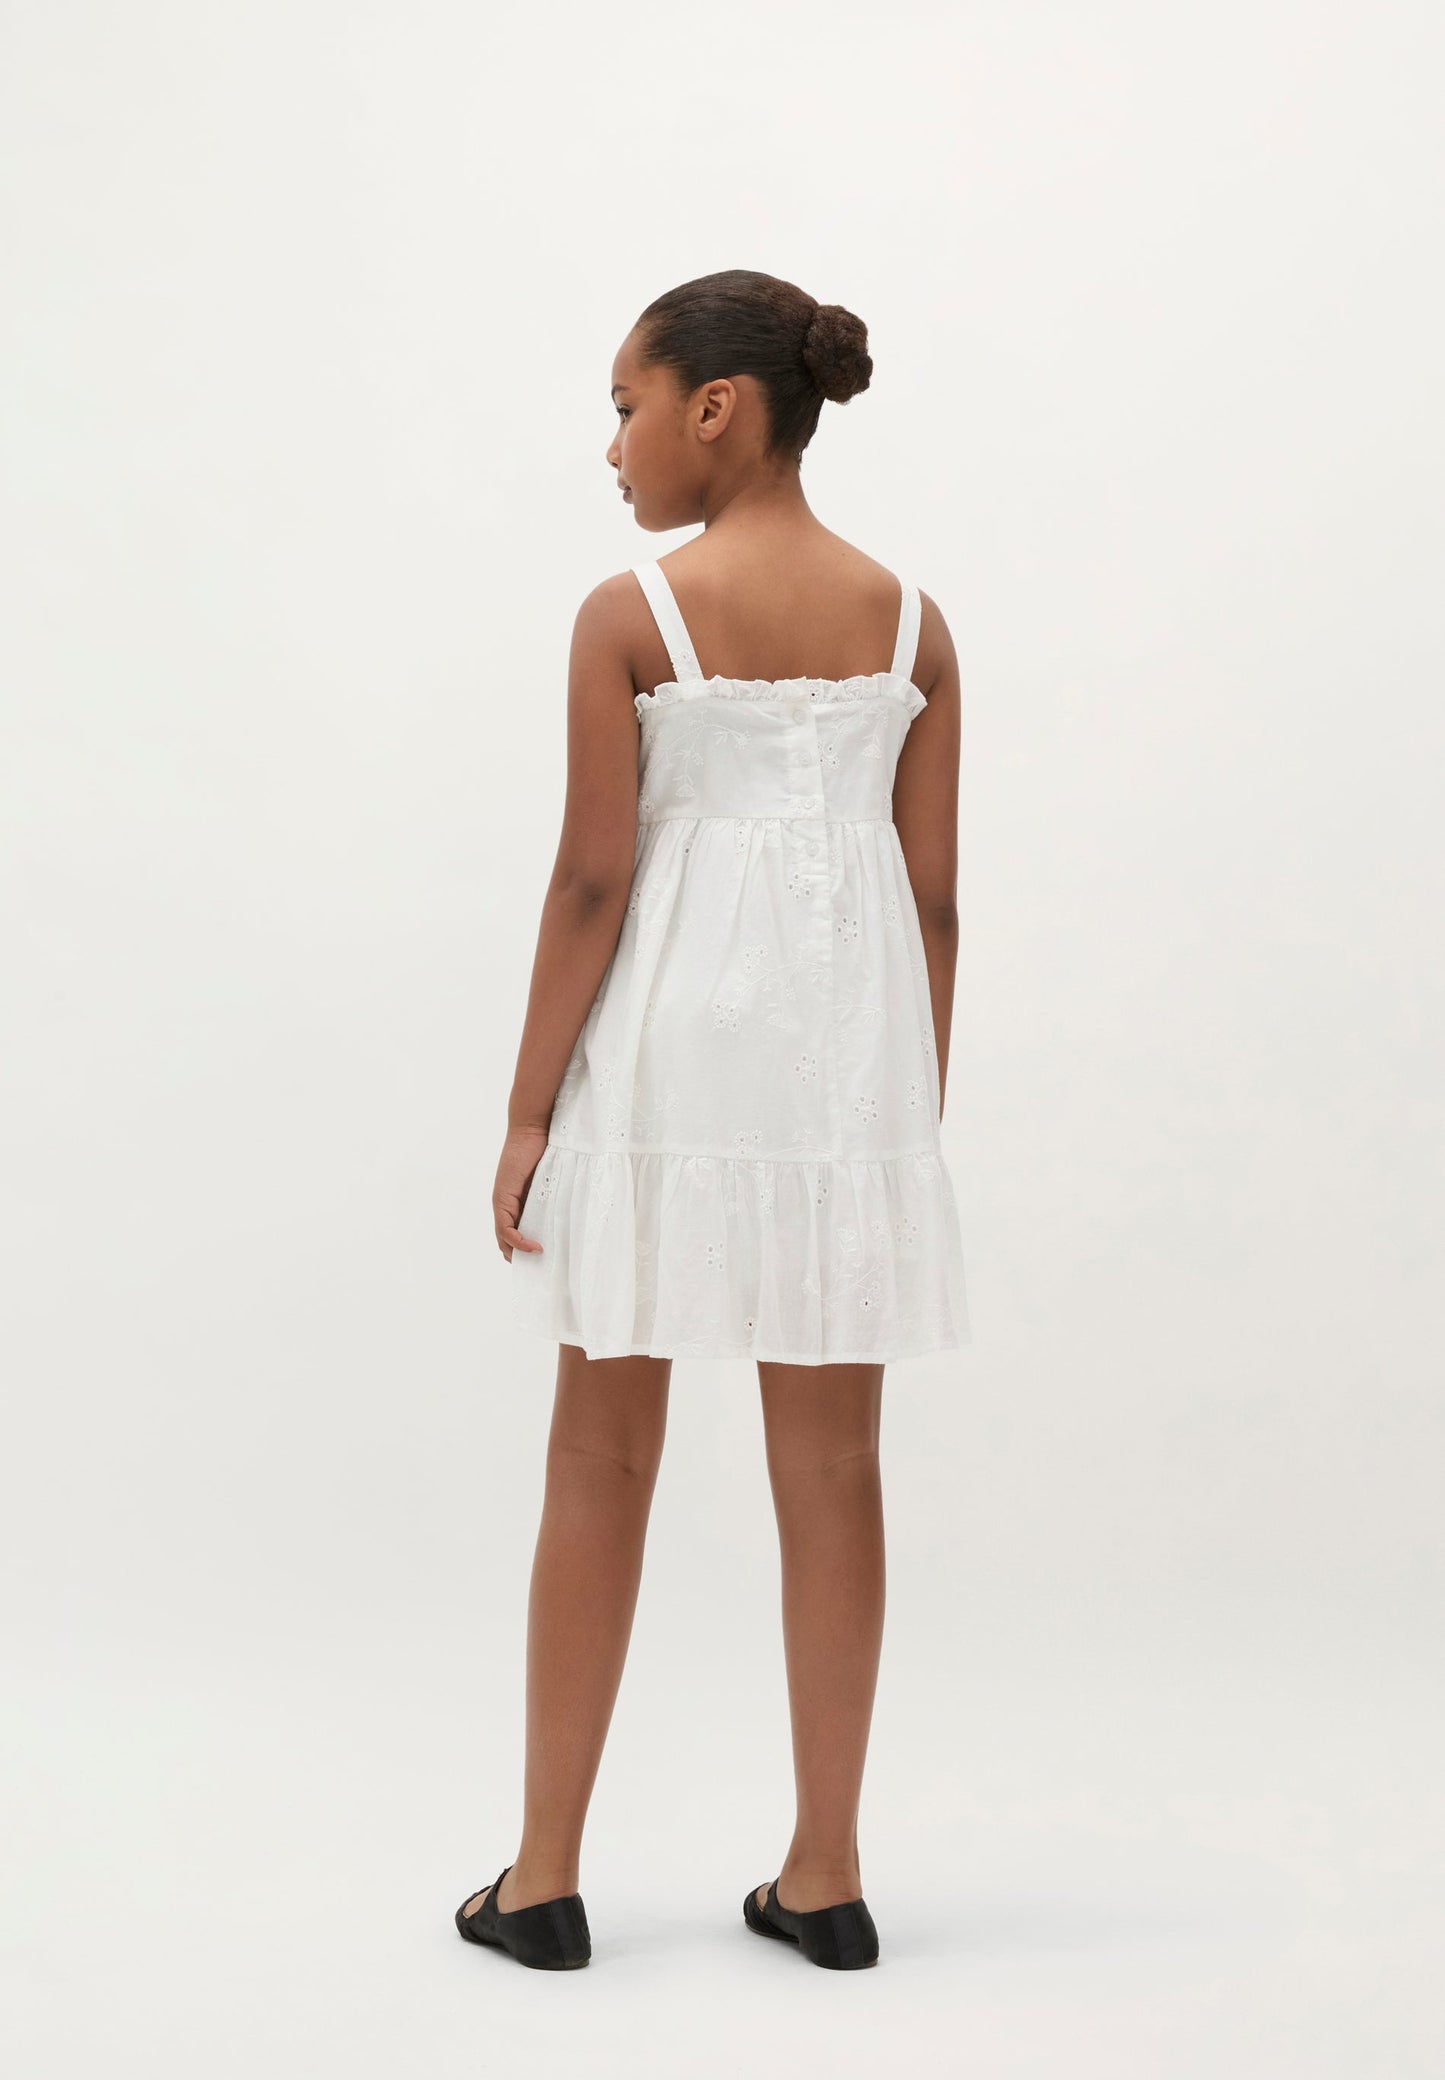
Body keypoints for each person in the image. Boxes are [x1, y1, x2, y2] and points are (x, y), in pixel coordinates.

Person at [454, 269, 970, 1972]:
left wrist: (526, 1109)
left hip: (666, 1072)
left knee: (600, 1452)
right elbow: (934, 899)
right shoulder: (912, 626)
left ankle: (542, 1881)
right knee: (833, 1467)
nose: (611, 446)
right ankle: (823, 1878)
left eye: (624, 406)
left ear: (715, 408)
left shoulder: (632, 616)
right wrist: (904, 1115)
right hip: (841, 1084)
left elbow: (592, 878)